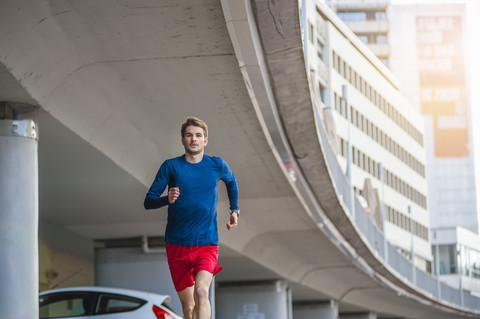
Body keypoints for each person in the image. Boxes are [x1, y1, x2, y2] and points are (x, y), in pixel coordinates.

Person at [144, 116, 239, 319]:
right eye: (189, 135)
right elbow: (148, 201)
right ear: (182, 140)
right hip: (177, 245)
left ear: (205, 140)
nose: (193, 139)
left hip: (206, 243)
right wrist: (166, 199)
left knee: (202, 292)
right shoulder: (171, 166)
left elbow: (232, 182)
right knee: (188, 308)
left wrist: (234, 210)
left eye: (198, 135)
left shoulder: (216, 165)